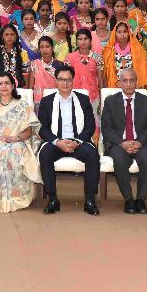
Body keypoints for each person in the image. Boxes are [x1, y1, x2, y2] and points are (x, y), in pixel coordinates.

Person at [36, 64, 100, 215]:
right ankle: (53, 199)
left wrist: (77, 141)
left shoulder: (83, 100)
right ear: (56, 81)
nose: (65, 83)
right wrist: (57, 142)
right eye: (61, 79)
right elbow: (42, 128)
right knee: (45, 154)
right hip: (56, 141)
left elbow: (90, 126)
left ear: (73, 81)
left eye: (68, 80)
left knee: (92, 155)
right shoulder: (46, 101)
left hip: (78, 141)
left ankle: (90, 201)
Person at [0, 72, 41, 213]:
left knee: (14, 153)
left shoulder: (22, 105)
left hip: (17, 141)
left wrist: (16, 138)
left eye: (7, 83)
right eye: (0, 83)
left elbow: (29, 131)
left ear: (12, 86)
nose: (3, 86)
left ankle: (16, 198)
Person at [100, 67, 147, 214]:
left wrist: (139, 142)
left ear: (136, 82)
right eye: (125, 81)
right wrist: (122, 143)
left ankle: (141, 199)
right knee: (120, 160)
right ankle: (128, 199)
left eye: (132, 80)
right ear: (119, 83)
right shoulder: (110, 101)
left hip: (142, 143)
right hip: (119, 143)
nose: (128, 84)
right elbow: (106, 128)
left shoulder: (145, 101)